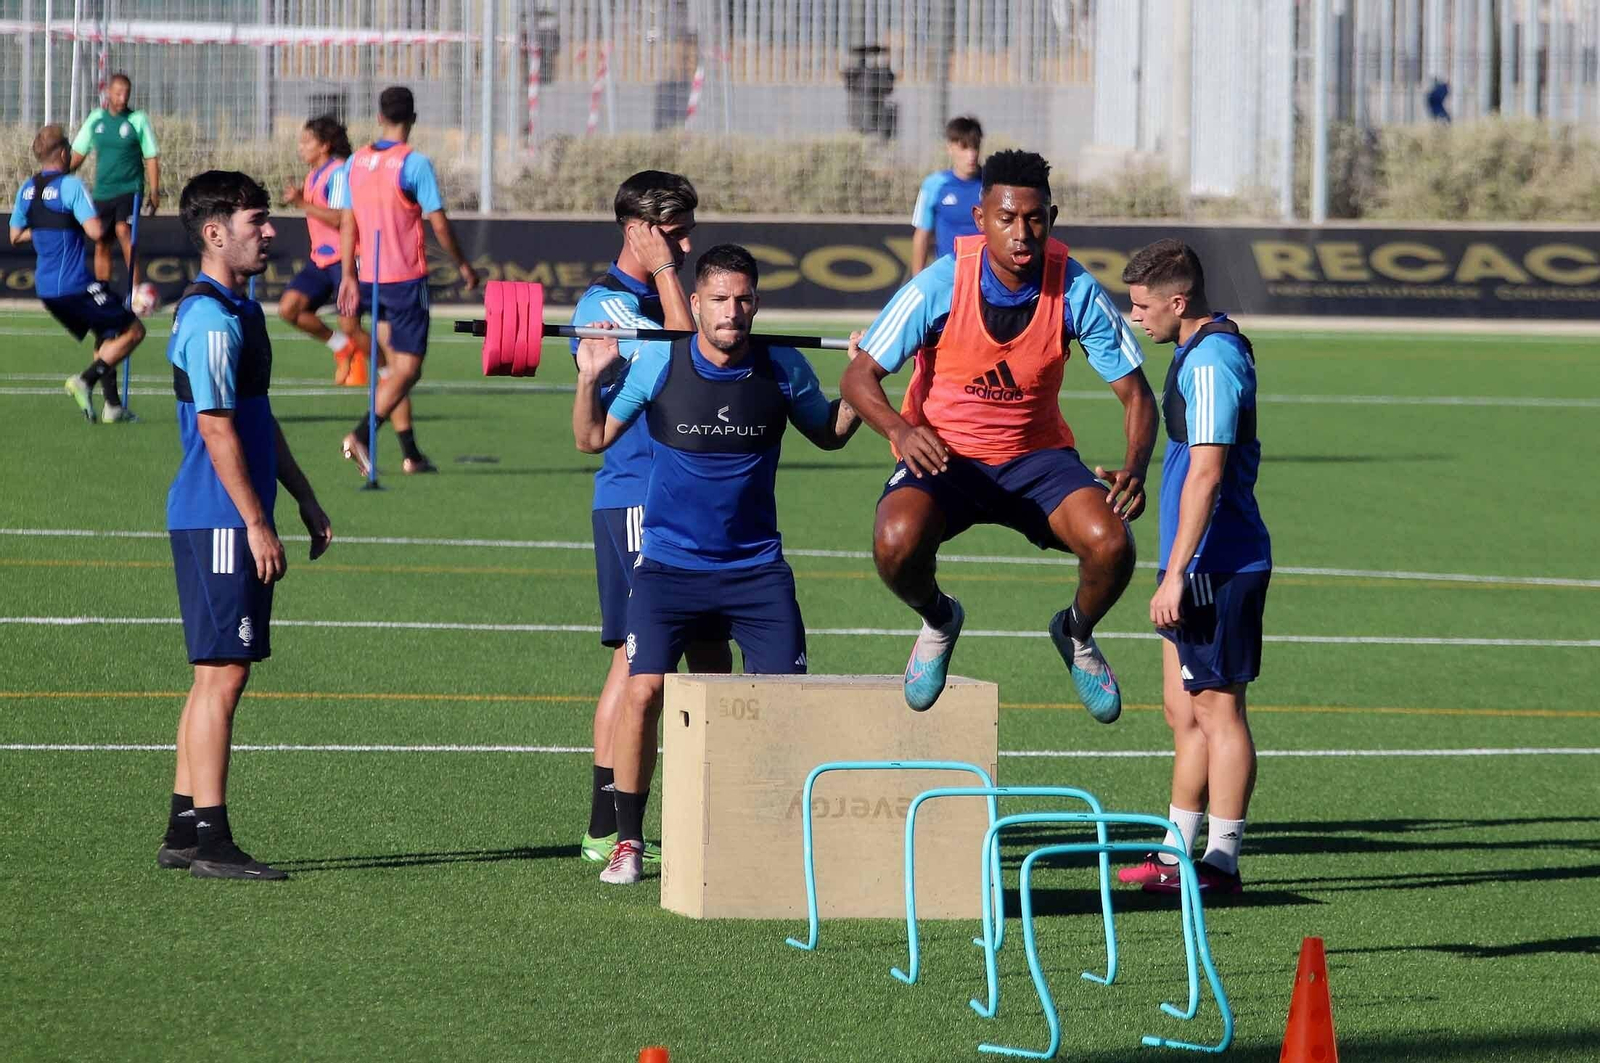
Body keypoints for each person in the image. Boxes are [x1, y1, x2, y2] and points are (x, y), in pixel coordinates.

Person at [572, 244, 863, 885]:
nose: (734, 312)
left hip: (755, 572)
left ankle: (756, 831)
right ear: (695, 303)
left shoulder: (783, 367)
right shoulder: (658, 362)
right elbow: (591, 439)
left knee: (781, 705)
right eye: (721, 300)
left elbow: (833, 431)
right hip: (668, 568)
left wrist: (865, 378)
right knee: (643, 691)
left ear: (756, 302)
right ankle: (627, 841)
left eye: (745, 299)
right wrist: (590, 375)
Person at [839, 149, 1157, 721]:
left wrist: (1135, 465)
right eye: (1007, 218)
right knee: (894, 541)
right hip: (946, 458)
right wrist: (902, 429)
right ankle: (939, 620)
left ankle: (1076, 633)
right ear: (981, 218)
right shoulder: (939, 284)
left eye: (1034, 218)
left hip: (1037, 460)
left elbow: (1137, 395)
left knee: (1112, 544)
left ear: (1051, 218)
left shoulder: (1076, 289)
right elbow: (859, 375)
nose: (1021, 233)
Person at [158, 169, 333, 880]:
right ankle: (213, 841)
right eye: (257, 220)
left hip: (230, 515)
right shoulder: (207, 319)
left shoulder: (243, 309)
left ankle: (182, 829)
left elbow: (257, 419)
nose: (271, 231)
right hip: (217, 518)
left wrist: (304, 496)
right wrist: (257, 522)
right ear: (214, 233)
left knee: (214, 674)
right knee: (224, 673)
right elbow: (216, 426)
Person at [568, 171, 733, 865]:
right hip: (638, 495)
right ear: (638, 229)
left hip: (670, 496)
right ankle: (607, 825)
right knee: (640, 668)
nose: (687, 243)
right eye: (674, 232)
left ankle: (610, 825)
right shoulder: (606, 303)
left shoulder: (655, 294)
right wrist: (669, 270)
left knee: (632, 664)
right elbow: (683, 355)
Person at [1116, 239, 1271, 895]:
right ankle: (1175, 852)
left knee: (1219, 710)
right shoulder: (1194, 349)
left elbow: (1207, 473)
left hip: (1216, 562)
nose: (1135, 317)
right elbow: (1189, 468)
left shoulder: (1211, 361)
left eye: (1141, 306)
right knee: (1183, 713)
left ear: (1178, 301)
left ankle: (1221, 862)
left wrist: (1178, 571)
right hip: (1190, 557)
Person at [334, 85, 479, 476]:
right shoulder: (413, 164)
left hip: (369, 279)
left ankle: (411, 454)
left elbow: (348, 222)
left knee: (393, 372)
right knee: (408, 371)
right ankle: (362, 434)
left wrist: (348, 273)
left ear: (379, 117)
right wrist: (463, 264)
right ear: (413, 119)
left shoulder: (357, 161)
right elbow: (439, 223)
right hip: (406, 279)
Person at [9, 124, 146, 424]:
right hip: (74, 284)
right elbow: (97, 231)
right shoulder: (70, 186)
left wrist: (54, 227)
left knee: (106, 334)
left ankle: (112, 407)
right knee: (135, 331)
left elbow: (15, 235)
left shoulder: (25, 189)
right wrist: (123, 227)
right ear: (62, 153)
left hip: (46, 289)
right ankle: (84, 380)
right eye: (70, 149)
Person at [279, 115, 379, 388]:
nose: (301, 146)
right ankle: (341, 347)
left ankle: (388, 373)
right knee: (289, 309)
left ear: (324, 146)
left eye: (306, 141)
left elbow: (339, 219)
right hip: (321, 259)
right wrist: (301, 199)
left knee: (351, 326)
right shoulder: (314, 175)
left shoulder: (339, 172)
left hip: (344, 259)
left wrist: (302, 203)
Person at [69, 73, 160, 288]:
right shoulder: (96, 119)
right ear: (108, 93)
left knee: (123, 231)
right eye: (118, 93)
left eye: (126, 94)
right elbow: (78, 154)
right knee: (101, 241)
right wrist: (55, 174)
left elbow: (151, 156)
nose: (122, 98)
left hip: (130, 189)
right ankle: (104, 291)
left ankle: (134, 292)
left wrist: (155, 191)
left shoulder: (137, 119)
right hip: (103, 192)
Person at [909, 115, 983, 275]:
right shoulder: (934, 185)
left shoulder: (992, 185)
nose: (971, 155)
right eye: (964, 147)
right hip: (949, 277)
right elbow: (922, 236)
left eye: (975, 147)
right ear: (950, 148)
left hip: (985, 277)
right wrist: (917, 280)